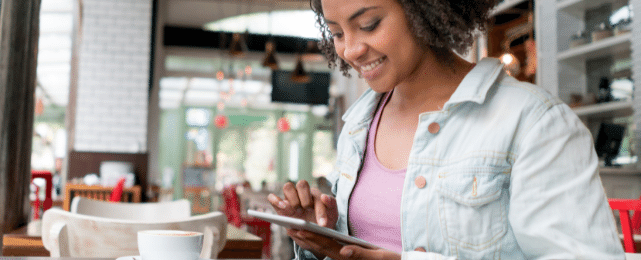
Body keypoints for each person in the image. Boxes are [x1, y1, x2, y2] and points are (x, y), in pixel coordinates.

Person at [266, 0, 625, 259]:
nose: (351, 50)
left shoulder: (533, 123)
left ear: (424, 8)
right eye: (337, 33)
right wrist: (324, 235)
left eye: (370, 24)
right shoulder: (359, 124)